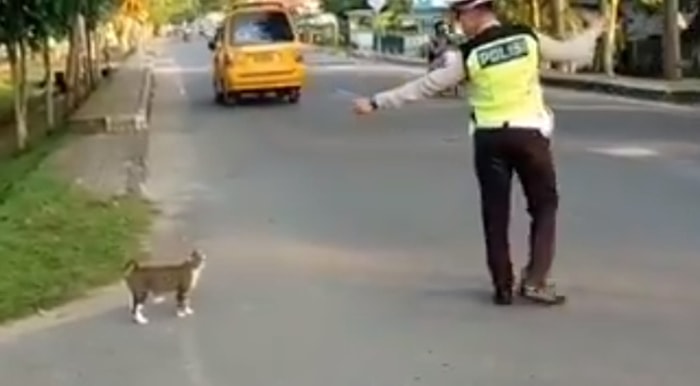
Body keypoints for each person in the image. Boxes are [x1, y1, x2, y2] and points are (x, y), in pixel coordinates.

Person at [353, 0, 607, 306]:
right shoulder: (527, 38)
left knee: (494, 214)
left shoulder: (469, 54)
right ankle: (536, 281)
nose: (459, 23)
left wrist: (377, 101)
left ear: (477, 12)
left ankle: (502, 286)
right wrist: (594, 30)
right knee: (544, 206)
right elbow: (573, 52)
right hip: (529, 135)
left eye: (460, 15)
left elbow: (426, 86)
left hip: (489, 139)